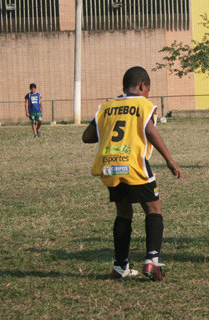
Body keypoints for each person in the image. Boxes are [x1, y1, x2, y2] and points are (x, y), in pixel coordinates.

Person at [82, 66, 183, 281]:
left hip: (110, 165)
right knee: (154, 209)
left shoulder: (106, 106)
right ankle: (152, 262)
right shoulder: (142, 104)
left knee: (123, 213)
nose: (148, 94)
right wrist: (169, 160)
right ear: (142, 86)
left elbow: (87, 136)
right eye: (148, 89)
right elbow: (149, 130)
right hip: (134, 164)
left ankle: (120, 267)